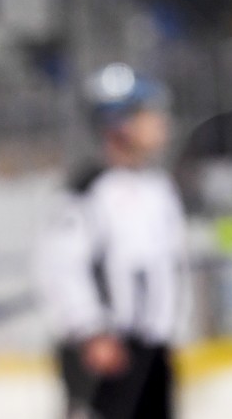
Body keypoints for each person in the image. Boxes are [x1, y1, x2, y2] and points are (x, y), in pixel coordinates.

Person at [36, 63, 188, 419]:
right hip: (108, 354)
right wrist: (91, 331)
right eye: (149, 113)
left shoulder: (159, 187)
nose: (161, 122)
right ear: (119, 122)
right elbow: (60, 267)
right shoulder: (87, 192)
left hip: (152, 350)